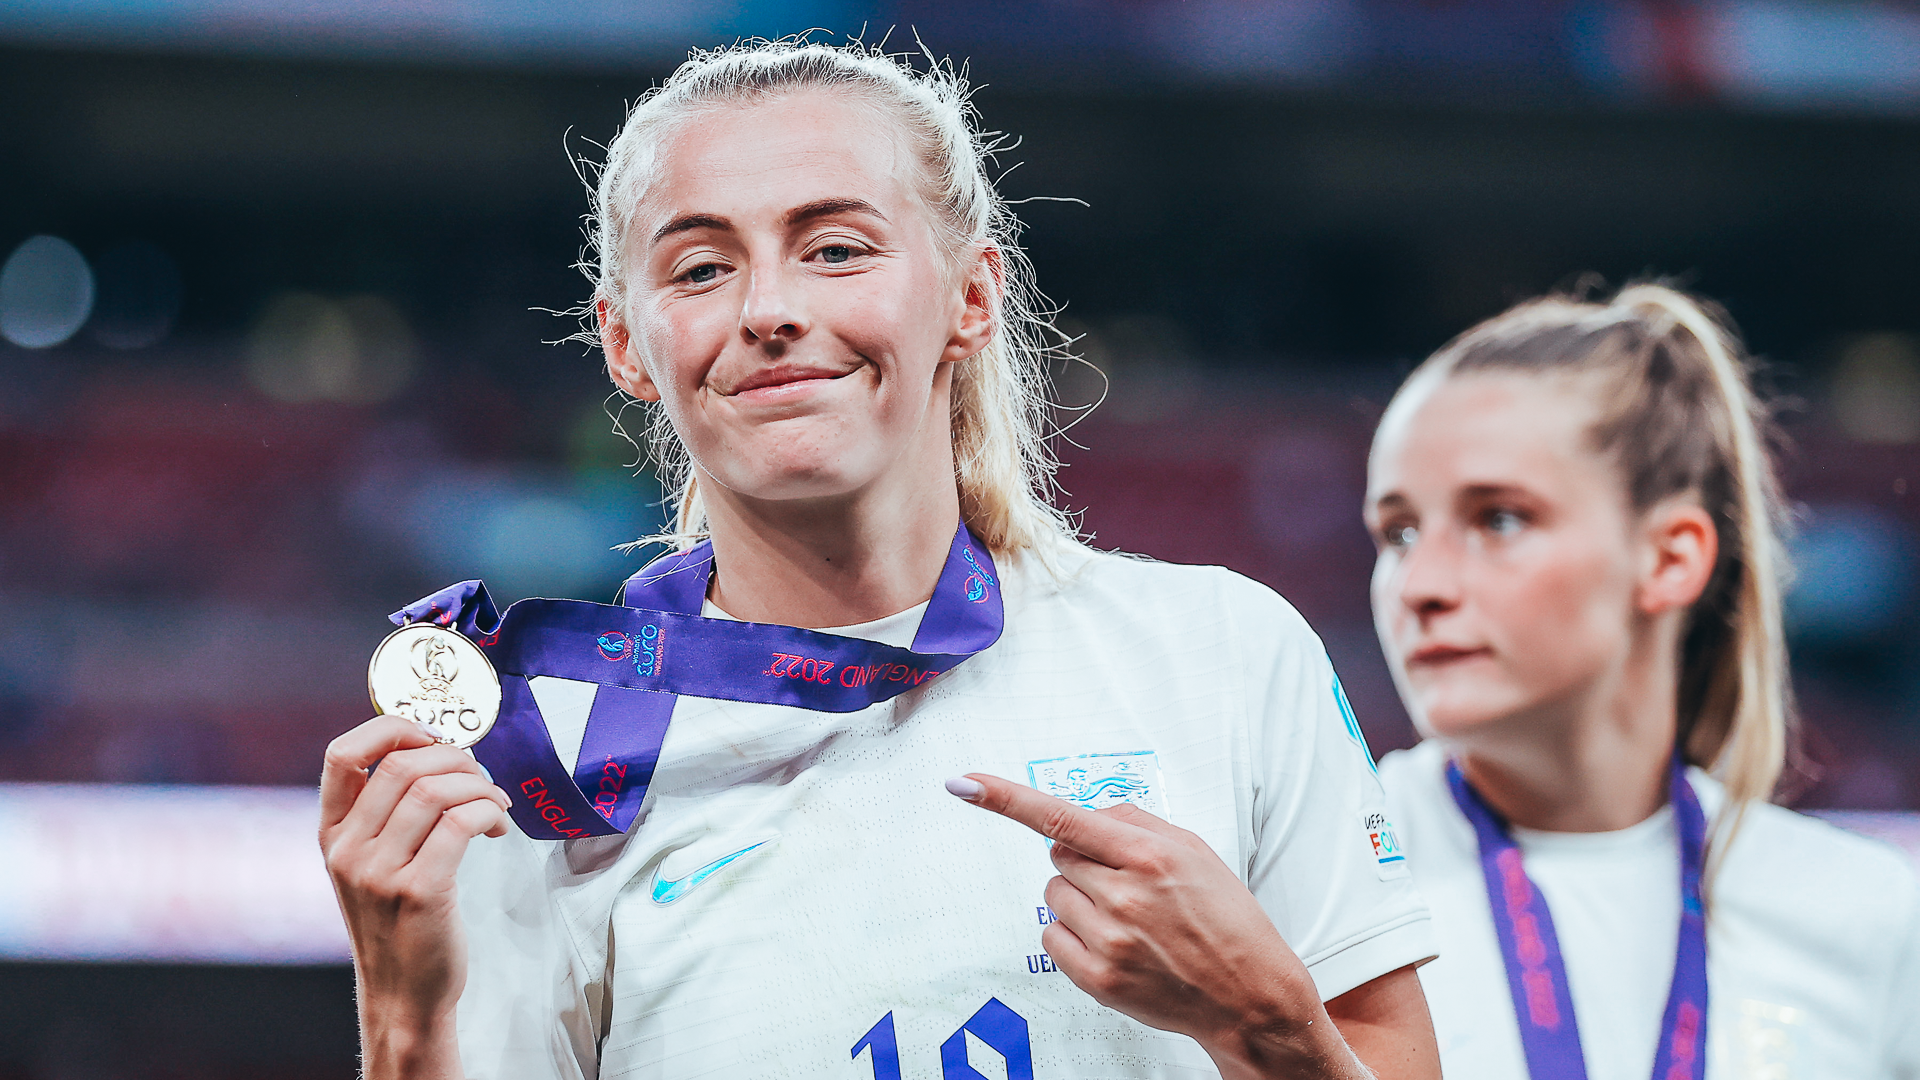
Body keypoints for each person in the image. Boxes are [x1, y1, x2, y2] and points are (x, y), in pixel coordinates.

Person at [319, 39, 1441, 1080]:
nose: (769, 309)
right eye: (702, 269)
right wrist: (405, 1020)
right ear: (629, 345)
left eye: (836, 250)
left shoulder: (1220, 655)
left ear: (971, 296)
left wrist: (1269, 1027)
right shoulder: (545, 771)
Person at [1364, 282, 1920, 1079]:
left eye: (1499, 518)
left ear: (1670, 557)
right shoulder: (1315, 887)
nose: (1420, 583)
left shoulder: (1861, 911)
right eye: (1398, 531)